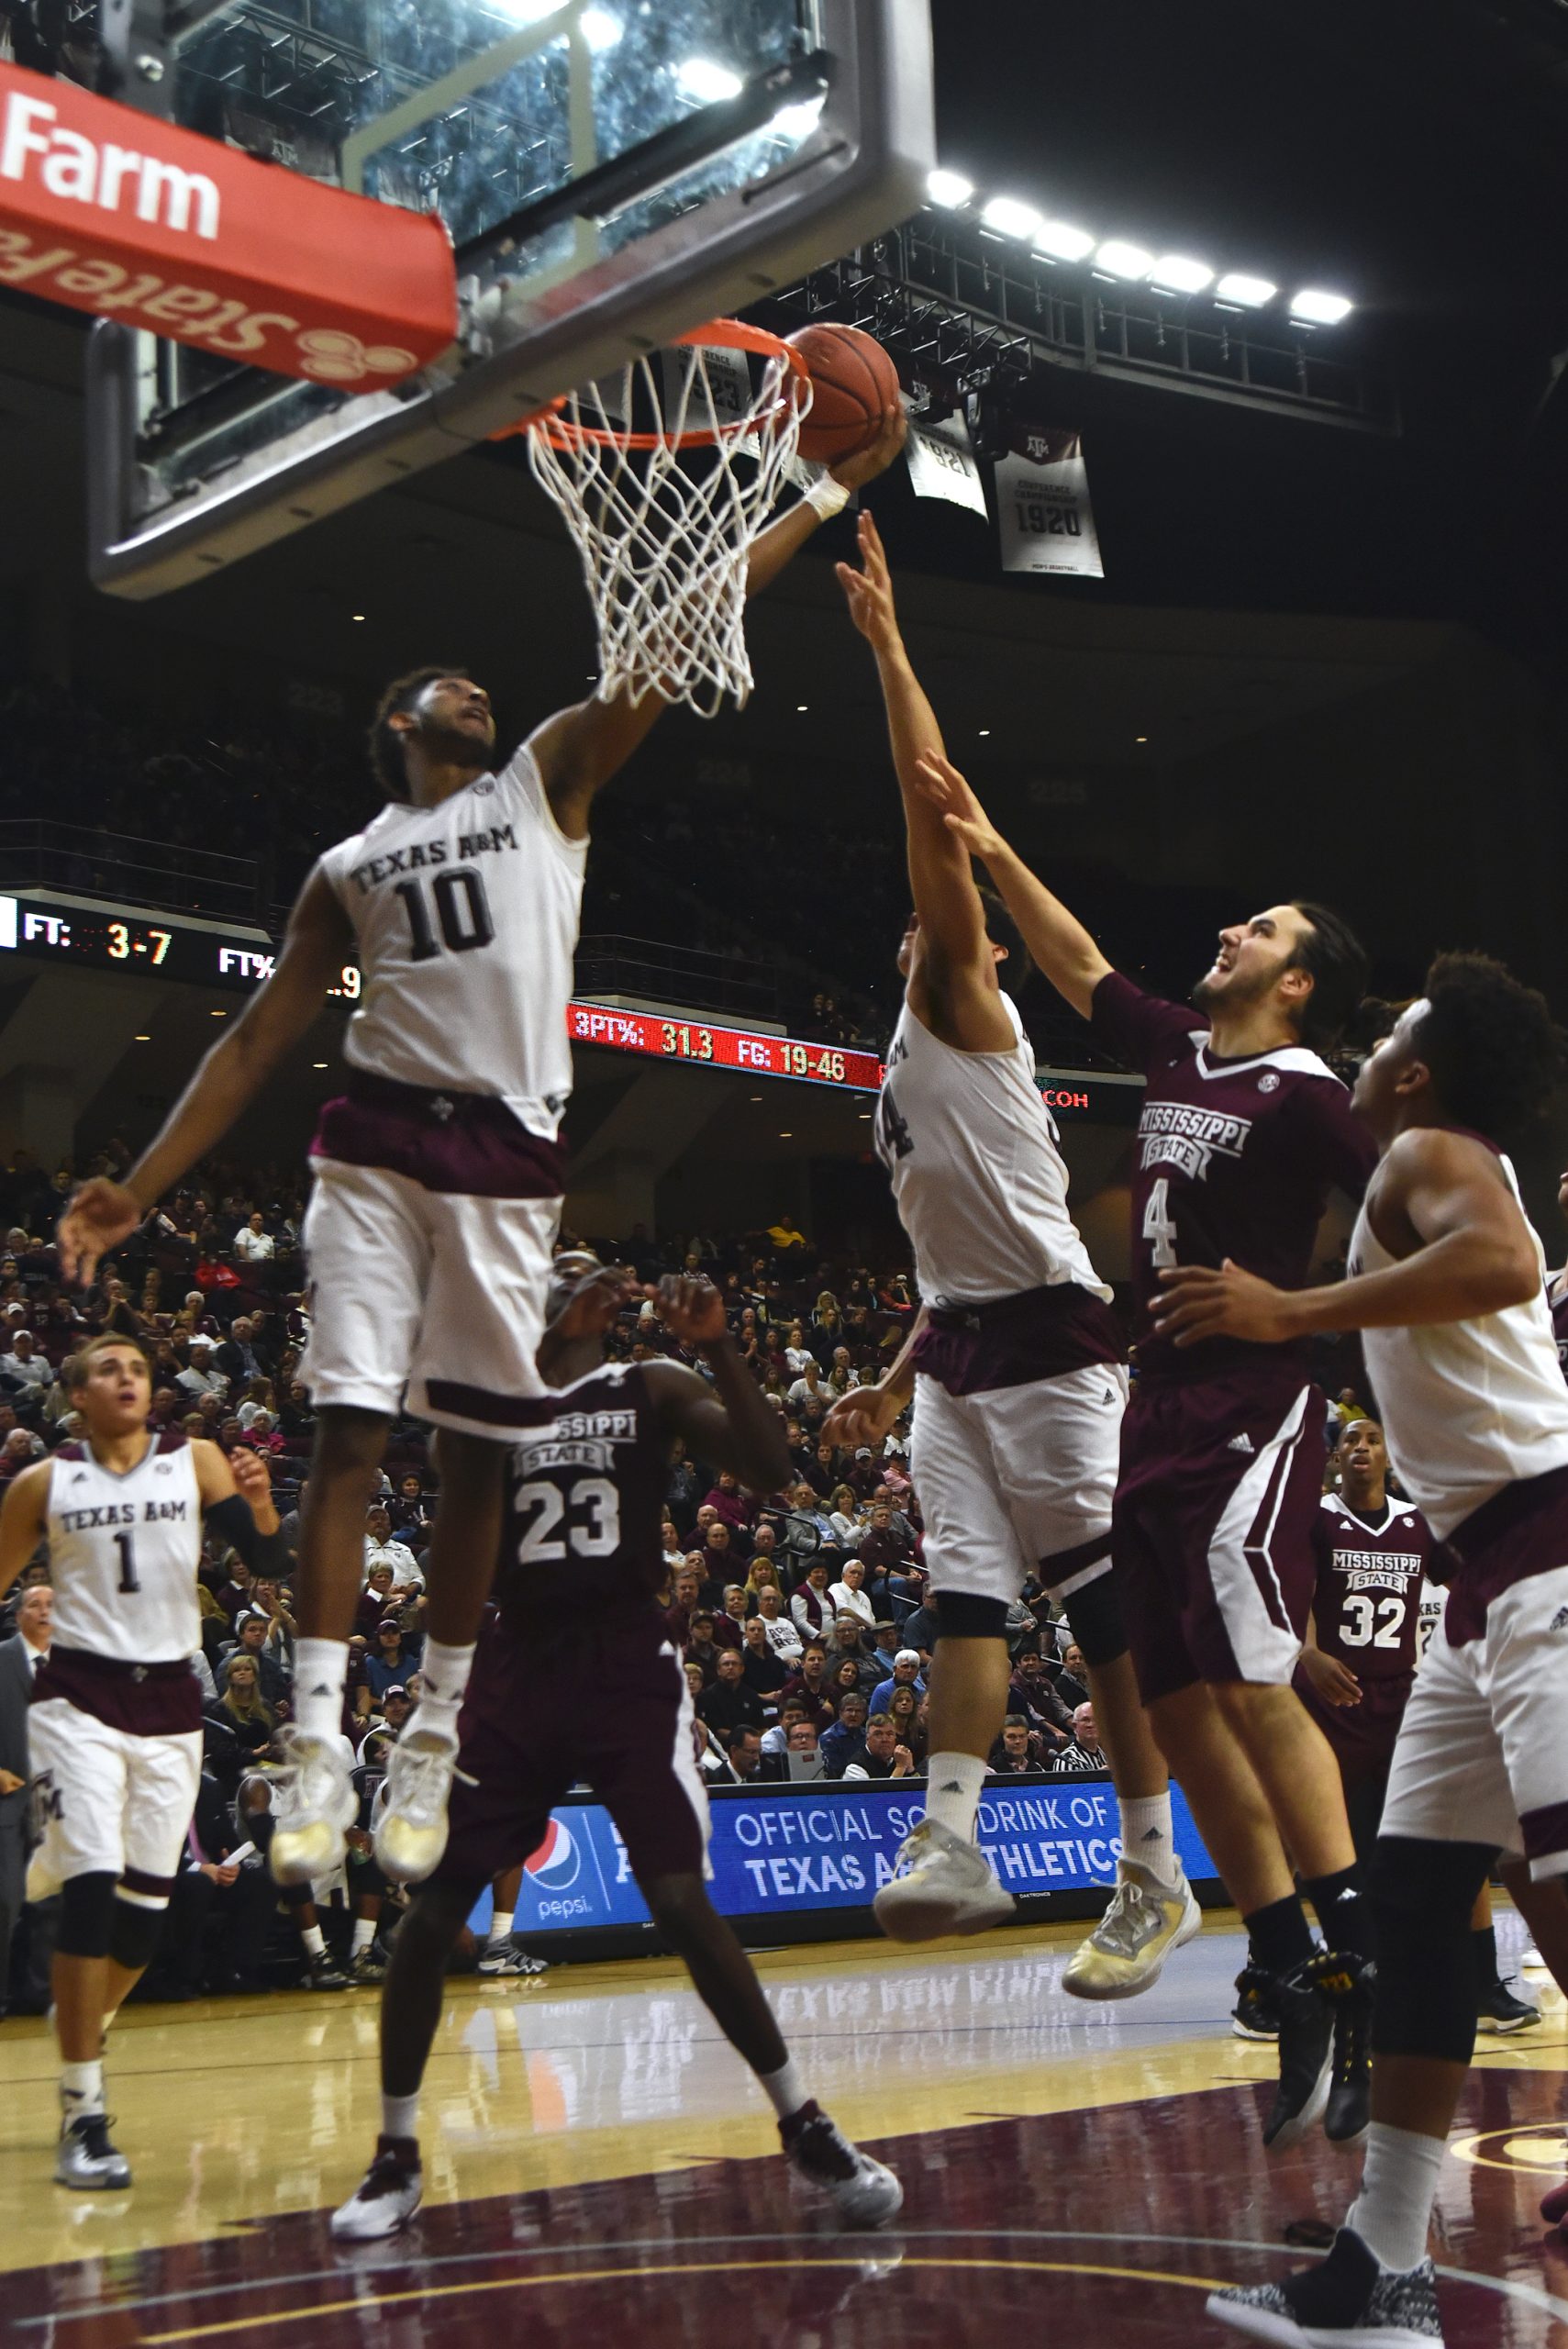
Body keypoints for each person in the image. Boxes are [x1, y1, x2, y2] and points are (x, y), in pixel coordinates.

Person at [55, 416, 907, 1897]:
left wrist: (821, 489)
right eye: (450, 686)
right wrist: (146, 1179)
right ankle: (318, 1742)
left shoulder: (544, 781)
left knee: (473, 1461)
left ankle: (433, 1736)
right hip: (376, 1138)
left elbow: (684, 624)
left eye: (483, 689)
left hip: (512, 1151)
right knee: (342, 1436)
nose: (480, 689)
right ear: (399, 724)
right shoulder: (344, 867)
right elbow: (257, 1036)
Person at [916, 748, 1380, 2151]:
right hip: (1155, 1401)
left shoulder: (1313, 1094)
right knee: (1176, 1703)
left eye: (1267, 928)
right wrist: (987, 840)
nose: (1235, 928)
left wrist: (1287, 1308)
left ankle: (1362, 1965)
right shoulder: (1182, 1046)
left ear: (1297, 981)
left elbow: (1418, 1234)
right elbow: (1076, 965)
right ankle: (1286, 1954)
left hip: (1252, 1400)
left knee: (1249, 1685)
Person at [1167, 956, 1568, 2344]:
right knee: (1412, 1914)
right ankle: (1378, 2261)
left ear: (1413, 1068)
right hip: (1479, 1575)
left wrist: (1287, 1315)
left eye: (1394, 1024)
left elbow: (1508, 1263)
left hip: (1548, 1549)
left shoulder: (1427, 1147)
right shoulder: (1410, 1156)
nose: (1375, 1029)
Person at [331, 1264, 900, 2239]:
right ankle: (394, 2154)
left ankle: (804, 2123)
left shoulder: (651, 1384)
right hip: (514, 1667)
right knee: (429, 1915)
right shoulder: (483, 1410)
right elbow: (451, 1516)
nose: (561, 1283)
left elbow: (771, 1468)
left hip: (625, 1659)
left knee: (679, 1898)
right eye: (542, 1277)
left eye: (571, 1274)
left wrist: (719, 1341)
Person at [825, 514, 1189, 2004]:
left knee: (1102, 1618)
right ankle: (953, 1842)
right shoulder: (902, 1066)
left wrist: (891, 649)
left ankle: (1151, 1866)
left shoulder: (969, 1011)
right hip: (959, 1350)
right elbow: (946, 1247)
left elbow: (928, 802)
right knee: (964, 1606)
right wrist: (890, 1367)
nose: (932, 924)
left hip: (1049, 1344)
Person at [0, 1334, 286, 2188]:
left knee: (142, 1922)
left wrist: (263, 1502)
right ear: (76, 1395)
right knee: (89, 1888)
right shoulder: (43, 1483)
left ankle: (81, 2016)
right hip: (77, 1698)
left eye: (137, 1368)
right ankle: (83, 2109)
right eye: (107, 1369)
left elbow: (266, 1557)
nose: (126, 1377)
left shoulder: (194, 1460)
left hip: (170, 1709)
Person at [0, 1583, 50, 2015]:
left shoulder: (76, 1667)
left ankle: (38, 1992)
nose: (45, 1611)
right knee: (6, 1900)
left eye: (53, 1604)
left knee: (51, 1901)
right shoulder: (1, 1660)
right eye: (35, 1604)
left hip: (57, 1802)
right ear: (18, 1616)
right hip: (7, 1801)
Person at [842, 1714, 915, 1782]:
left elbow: (920, 1791)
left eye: (890, 1734)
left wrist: (910, 1768)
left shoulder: (899, 1758)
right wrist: (900, 1768)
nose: (885, 1739)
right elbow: (882, 1795)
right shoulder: (855, 1768)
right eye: (878, 1734)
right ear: (867, 1738)